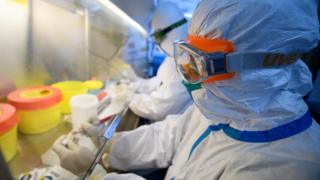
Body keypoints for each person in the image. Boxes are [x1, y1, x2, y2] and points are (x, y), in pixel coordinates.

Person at [53, 0, 320, 179]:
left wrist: (97, 175)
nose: (188, 75)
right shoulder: (225, 107)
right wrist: (108, 144)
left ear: (264, 67)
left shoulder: (290, 166)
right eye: (188, 54)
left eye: (201, 62)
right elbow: (169, 136)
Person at [128, 2, 192, 122]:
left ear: (161, 35)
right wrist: (133, 86)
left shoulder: (186, 63)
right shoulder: (173, 56)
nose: (156, 42)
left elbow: (158, 108)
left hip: (173, 128)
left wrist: (129, 98)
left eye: (156, 36)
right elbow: (159, 82)